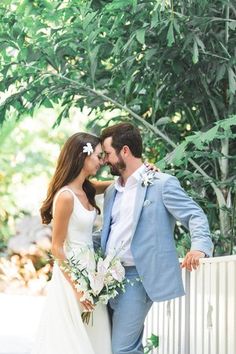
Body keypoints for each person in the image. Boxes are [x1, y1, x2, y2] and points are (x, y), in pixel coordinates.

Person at [100, 122, 213, 354]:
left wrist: (199, 247)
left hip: (138, 276)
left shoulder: (162, 184)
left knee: (123, 349)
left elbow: (194, 215)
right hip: (105, 279)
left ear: (125, 151)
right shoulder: (112, 190)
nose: (105, 160)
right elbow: (110, 232)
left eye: (108, 154)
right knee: (111, 345)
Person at [31, 133, 113, 354]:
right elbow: (57, 247)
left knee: (96, 335)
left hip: (92, 271)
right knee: (72, 339)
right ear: (82, 156)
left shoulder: (87, 188)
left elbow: (119, 183)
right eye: (98, 155)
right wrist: (77, 288)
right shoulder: (66, 196)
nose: (102, 160)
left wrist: (145, 172)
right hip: (72, 274)